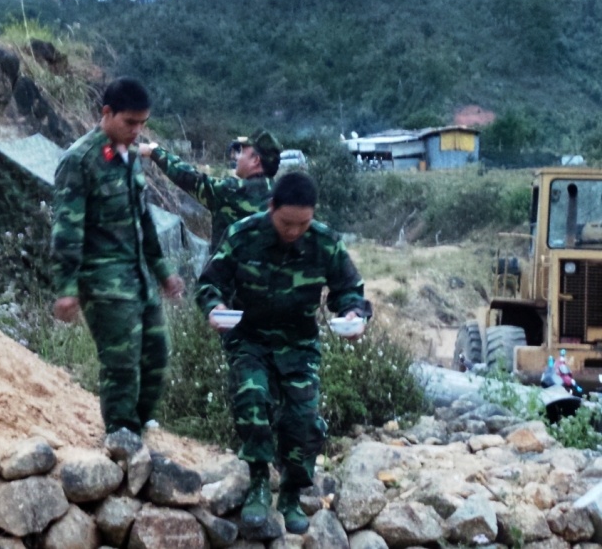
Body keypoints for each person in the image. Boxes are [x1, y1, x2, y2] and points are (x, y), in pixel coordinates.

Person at [194, 171, 370, 534]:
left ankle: (290, 494)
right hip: (250, 338)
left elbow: (349, 289)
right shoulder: (243, 235)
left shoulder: (324, 242)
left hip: (298, 345)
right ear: (272, 207)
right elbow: (210, 282)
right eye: (287, 223)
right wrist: (215, 308)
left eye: (303, 224)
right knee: (252, 398)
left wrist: (354, 315)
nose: (294, 231)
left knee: (302, 420)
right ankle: (259, 481)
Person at [51, 77, 185, 437]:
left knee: (157, 355)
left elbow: (145, 221)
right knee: (122, 364)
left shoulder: (128, 157)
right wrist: (67, 288)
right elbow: (67, 230)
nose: (137, 131)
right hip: (103, 282)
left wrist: (163, 271)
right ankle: (121, 435)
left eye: (142, 124)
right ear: (107, 113)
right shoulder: (79, 160)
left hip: (138, 277)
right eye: (130, 122)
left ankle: (137, 428)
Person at [139, 128, 282, 251]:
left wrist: (154, 151)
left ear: (255, 160)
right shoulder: (281, 196)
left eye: (242, 152)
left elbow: (189, 178)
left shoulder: (232, 192)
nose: (237, 157)